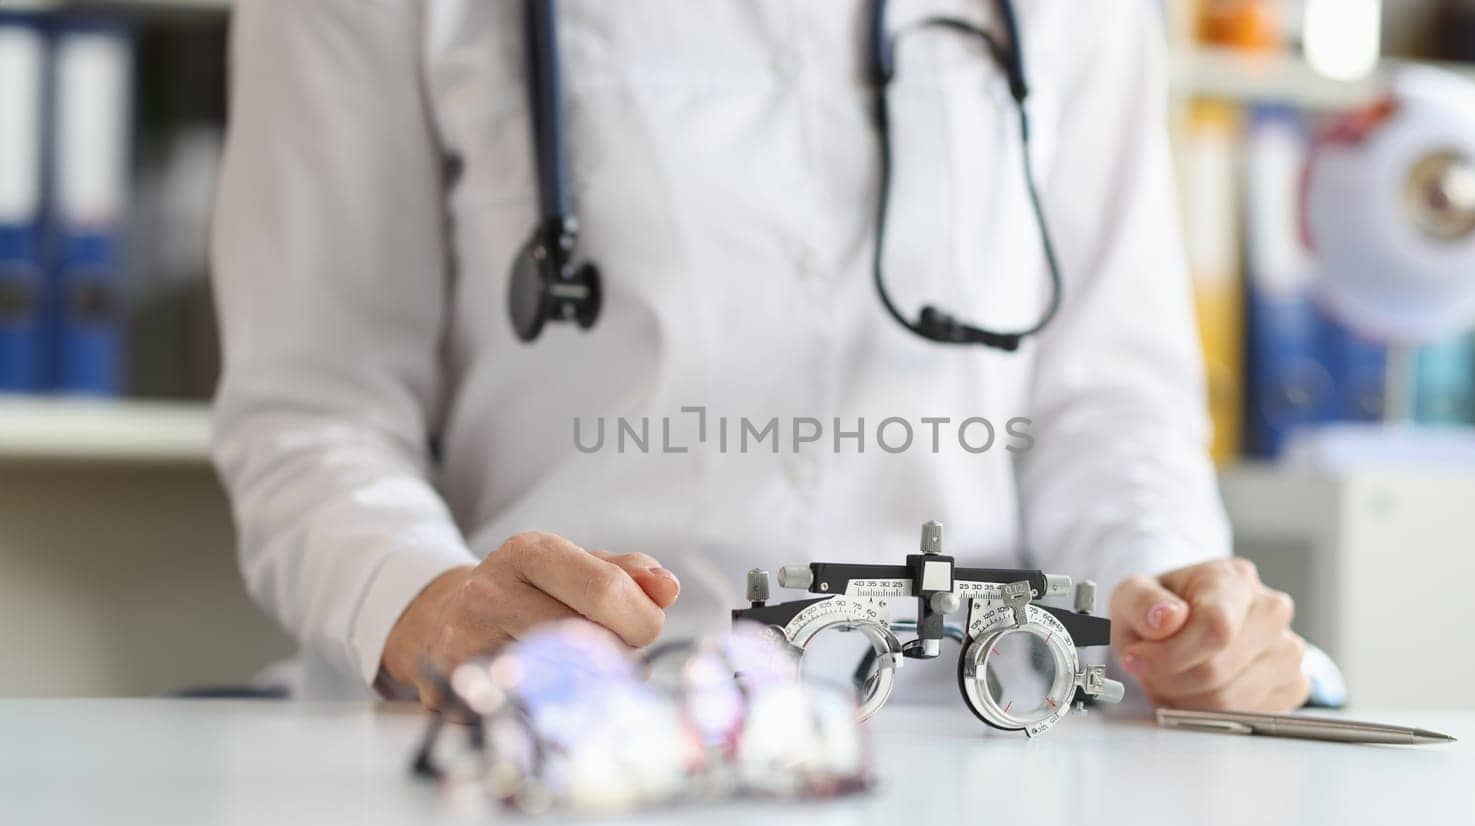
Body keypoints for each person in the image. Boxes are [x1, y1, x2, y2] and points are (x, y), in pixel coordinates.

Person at [211, 0, 1310, 712]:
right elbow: (313, 406)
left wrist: (1173, 603)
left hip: (981, 740)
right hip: (561, 733)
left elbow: (1109, 401)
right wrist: (424, 602)